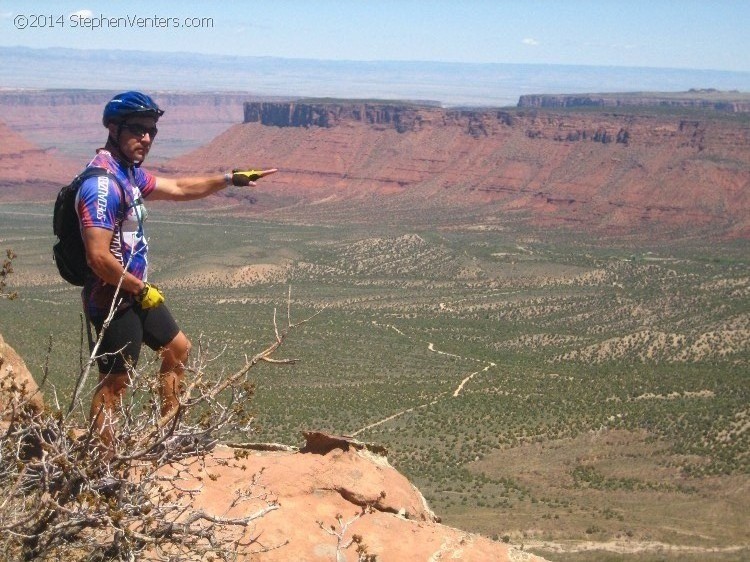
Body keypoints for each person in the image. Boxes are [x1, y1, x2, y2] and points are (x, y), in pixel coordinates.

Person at [78, 91, 276, 448]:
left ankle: (167, 434)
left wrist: (231, 179)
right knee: (115, 383)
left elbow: (181, 188)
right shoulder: (102, 184)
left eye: (152, 131)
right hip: (112, 298)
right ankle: (100, 461)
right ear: (114, 129)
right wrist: (140, 290)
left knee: (177, 349)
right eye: (138, 130)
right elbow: (97, 258)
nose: (147, 138)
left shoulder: (129, 175)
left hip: (134, 291)